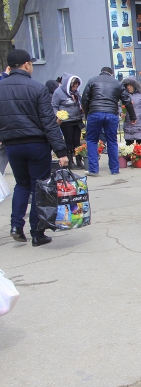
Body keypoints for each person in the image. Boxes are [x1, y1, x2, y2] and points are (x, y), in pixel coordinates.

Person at [0, 49, 69, 246]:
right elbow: (48, 123)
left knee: (21, 185)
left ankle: (15, 226)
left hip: (12, 145)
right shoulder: (37, 88)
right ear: (26, 64)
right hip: (36, 145)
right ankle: (37, 233)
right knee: (39, 188)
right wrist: (61, 152)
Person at [82, 66, 135, 176]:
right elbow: (127, 100)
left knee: (92, 140)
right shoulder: (117, 83)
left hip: (95, 113)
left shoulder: (92, 81)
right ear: (111, 74)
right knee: (112, 141)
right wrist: (133, 116)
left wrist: (88, 114)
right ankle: (115, 169)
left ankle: (93, 169)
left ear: (101, 73)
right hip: (111, 114)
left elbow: (85, 99)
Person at [51, 73, 84, 169]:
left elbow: (80, 103)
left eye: (76, 86)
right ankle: (70, 161)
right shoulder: (58, 92)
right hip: (66, 122)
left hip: (77, 119)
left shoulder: (76, 93)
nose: (75, 88)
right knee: (69, 141)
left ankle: (79, 160)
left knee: (77, 141)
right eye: (73, 86)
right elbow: (54, 105)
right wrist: (58, 115)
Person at [120, 77, 141, 146]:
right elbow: (118, 106)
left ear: (134, 86)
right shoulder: (123, 95)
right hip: (128, 123)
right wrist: (121, 112)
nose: (128, 87)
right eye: (127, 85)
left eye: (130, 85)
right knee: (129, 145)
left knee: (140, 145)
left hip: (140, 123)